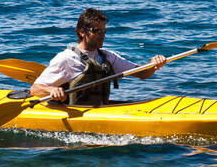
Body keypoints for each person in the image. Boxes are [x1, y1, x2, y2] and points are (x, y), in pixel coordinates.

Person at [29, 8, 166, 107]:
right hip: (73, 112)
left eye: (104, 31)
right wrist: (52, 90)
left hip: (98, 110)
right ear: (82, 32)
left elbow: (142, 73)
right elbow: (35, 89)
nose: (102, 35)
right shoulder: (67, 59)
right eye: (96, 31)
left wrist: (153, 64)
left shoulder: (107, 56)